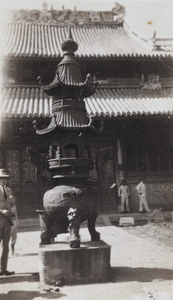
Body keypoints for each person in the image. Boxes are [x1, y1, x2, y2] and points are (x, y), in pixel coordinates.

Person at [0, 169, 15, 276]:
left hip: (7, 221)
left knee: (6, 246)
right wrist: (1, 211)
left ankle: (3, 269)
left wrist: (11, 210)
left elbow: (11, 204)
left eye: (5, 178)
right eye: (2, 178)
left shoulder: (9, 190)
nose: (4, 180)